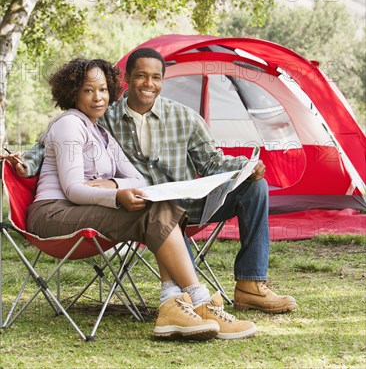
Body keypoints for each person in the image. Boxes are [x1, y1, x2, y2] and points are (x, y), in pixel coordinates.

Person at [12, 49, 297, 313]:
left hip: (191, 203)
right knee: (163, 210)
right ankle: (188, 299)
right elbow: (47, 145)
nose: (148, 83)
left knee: (254, 187)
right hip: (142, 208)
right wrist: (24, 166)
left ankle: (251, 284)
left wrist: (244, 168)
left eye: (156, 77)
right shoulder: (102, 116)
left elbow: (212, 162)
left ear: (162, 81)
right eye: (141, 76)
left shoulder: (184, 117)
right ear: (127, 79)